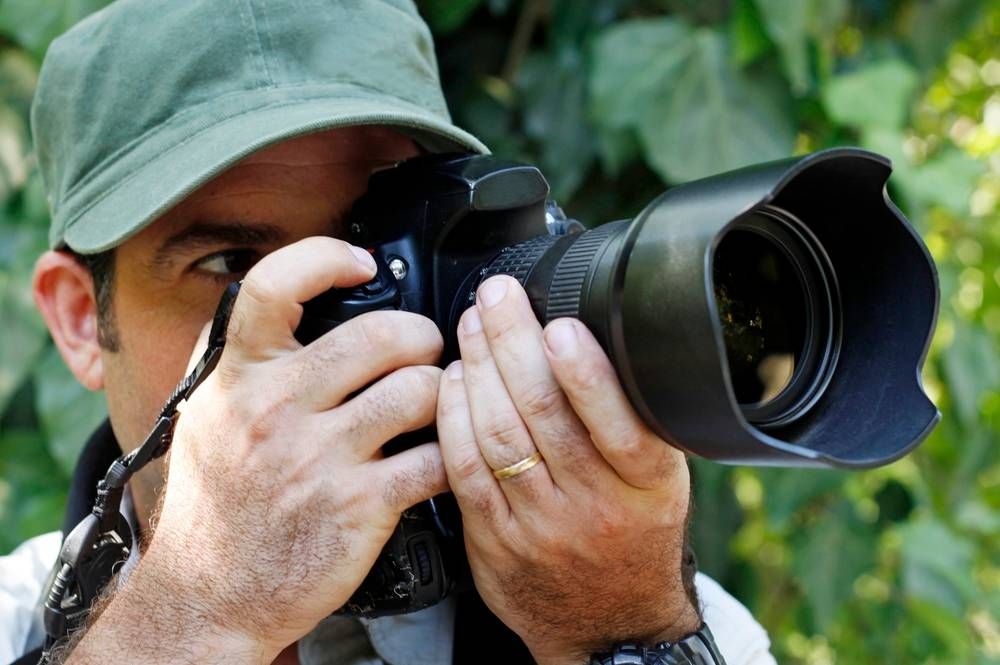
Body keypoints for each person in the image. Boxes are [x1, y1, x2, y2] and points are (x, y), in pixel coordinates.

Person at [1, 1, 777, 663]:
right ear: (80, 319)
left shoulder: (639, 604)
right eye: (231, 264)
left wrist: (618, 631)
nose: (328, 337)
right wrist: (197, 605)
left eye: (377, 251)